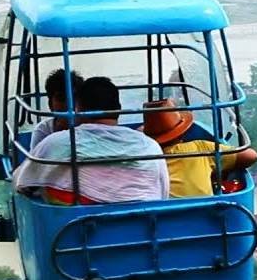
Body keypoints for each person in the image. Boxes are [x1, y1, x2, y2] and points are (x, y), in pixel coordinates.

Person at [13, 77, 169, 204]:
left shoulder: (56, 144)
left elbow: (22, 182)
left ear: (78, 109)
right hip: (144, 228)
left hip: (73, 231)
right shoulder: (150, 146)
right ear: (119, 109)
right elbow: (163, 194)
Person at [142, 98, 257, 198]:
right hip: (206, 217)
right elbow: (251, 156)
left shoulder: (142, 158)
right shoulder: (199, 148)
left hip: (160, 219)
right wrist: (219, 169)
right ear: (182, 132)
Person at [29, 68, 84, 150]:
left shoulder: (88, 126)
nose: (68, 104)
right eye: (61, 98)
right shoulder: (44, 130)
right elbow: (36, 160)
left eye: (74, 97)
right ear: (50, 104)